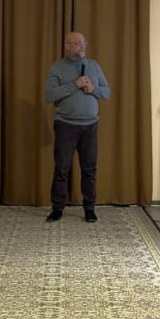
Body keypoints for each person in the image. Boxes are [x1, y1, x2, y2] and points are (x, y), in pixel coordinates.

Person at [44, 31, 111, 222]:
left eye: (83, 42)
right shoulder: (57, 67)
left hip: (90, 126)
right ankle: (57, 209)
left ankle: (89, 209)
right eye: (77, 43)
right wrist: (75, 84)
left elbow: (107, 92)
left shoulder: (94, 66)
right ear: (67, 46)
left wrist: (93, 89)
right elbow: (49, 95)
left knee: (89, 169)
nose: (82, 46)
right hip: (66, 126)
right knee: (62, 169)